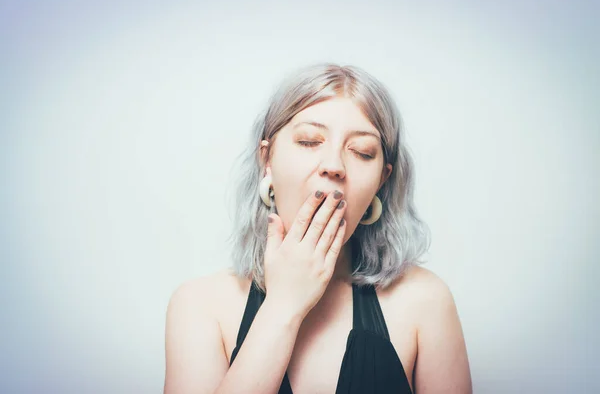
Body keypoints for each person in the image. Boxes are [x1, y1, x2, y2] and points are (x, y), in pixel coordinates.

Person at [163, 63, 472, 393]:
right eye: (310, 141)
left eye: (362, 152)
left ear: (382, 181)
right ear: (266, 160)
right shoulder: (199, 306)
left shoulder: (425, 301)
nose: (334, 166)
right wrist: (285, 304)